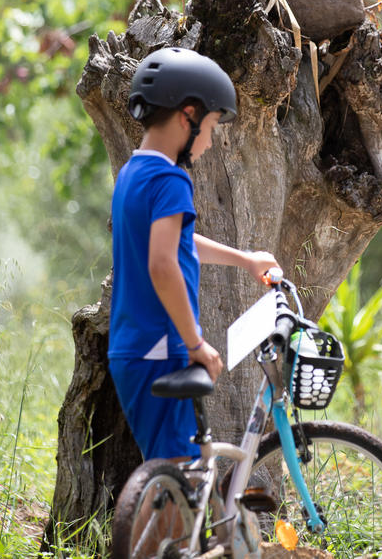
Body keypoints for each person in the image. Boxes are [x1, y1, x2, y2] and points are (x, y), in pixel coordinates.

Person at [108, 46, 279, 461]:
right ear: (188, 115)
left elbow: (177, 244)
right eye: (213, 125)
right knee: (177, 471)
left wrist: (245, 259)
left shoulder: (134, 173)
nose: (210, 140)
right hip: (162, 348)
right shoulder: (170, 179)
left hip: (133, 347)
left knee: (174, 471)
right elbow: (163, 264)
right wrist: (195, 342)